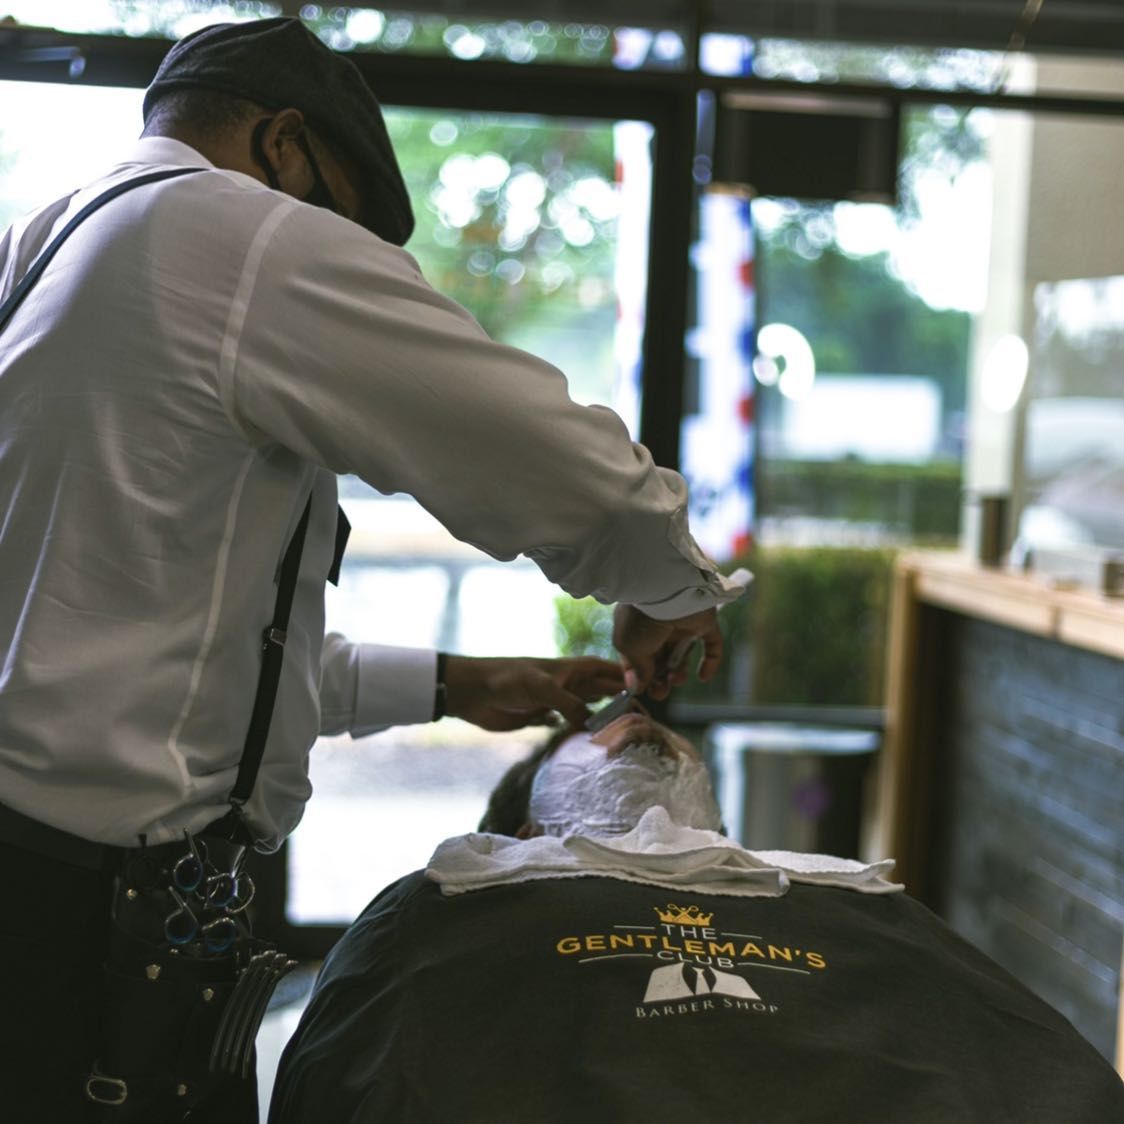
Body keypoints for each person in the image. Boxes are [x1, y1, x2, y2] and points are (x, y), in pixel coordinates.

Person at [0, 16, 747, 1123]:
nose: (344, 265)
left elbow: (148, 638)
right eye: (344, 226)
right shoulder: (237, 235)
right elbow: (551, 459)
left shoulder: (52, 242)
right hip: (86, 924)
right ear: (284, 147)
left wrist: (450, 681)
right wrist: (667, 586)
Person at [269, 712, 1124, 1123]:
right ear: (524, 834)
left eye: (666, 739)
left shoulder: (839, 897)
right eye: (594, 736)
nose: (636, 721)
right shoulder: (457, 896)